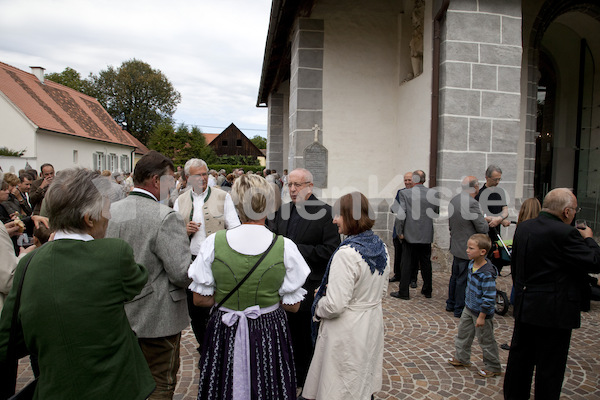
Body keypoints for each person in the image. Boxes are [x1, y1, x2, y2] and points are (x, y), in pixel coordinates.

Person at [0, 168, 155, 399]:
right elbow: (138, 280)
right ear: (88, 219)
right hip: (115, 387)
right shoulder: (114, 253)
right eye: (105, 210)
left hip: (55, 390)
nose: (109, 217)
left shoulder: (28, 264)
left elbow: (8, 340)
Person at [189, 174, 310, 400]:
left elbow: (199, 299)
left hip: (225, 328)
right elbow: (292, 307)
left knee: (222, 385)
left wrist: (228, 300)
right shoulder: (285, 247)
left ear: (236, 204)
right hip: (269, 330)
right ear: (268, 204)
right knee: (269, 386)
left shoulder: (213, 242)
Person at [106, 151, 192, 400]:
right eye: (171, 179)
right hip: (157, 318)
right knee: (160, 382)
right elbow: (180, 273)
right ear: (155, 181)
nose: (175, 184)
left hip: (118, 313)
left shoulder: (110, 211)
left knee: (125, 381)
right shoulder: (165, 217)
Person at [503, 188, 600, 400]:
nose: (575, 213)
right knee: (550, 367)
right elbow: (594, 262)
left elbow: (516, 266)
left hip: (526, 304)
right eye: (575, 210)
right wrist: (590, 239)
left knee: (520, 361)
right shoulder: (566, 233)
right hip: (554, 311)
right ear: (566, 212)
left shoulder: (524, 227)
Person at [302, 192, 390, 400]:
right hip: (371, 322)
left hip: (346, 330)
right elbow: (382, 290)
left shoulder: (347, 253)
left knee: (340, 385)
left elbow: (335, 306)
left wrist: (318, 301)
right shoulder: (381, 246)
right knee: (359, 378)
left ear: (351, 216)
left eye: (338, 215)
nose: (334, 221)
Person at [267, 168, 340, 390]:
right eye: (289, 185)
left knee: (304, 338)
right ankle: (286, 375)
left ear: (310, 185)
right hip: (282, 285)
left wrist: (294, 250)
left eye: (297, 185)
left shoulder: (326, 213)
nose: (292, 189)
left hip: (309, 286)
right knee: (284, 334)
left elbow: (331, 250)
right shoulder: (284, 210)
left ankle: (305, 381)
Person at [173, 158, 240, 354]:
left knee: (217, 306)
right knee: (195, 309)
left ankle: (219, 346)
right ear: (187, 178)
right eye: (198, 175)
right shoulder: (180, 200)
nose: (203, 178)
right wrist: (184, 231)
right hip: (192, 261)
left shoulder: (222, 196)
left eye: (205, 174)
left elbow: (234, 227)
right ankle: (204, 345)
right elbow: (173, 235)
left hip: (218, 260)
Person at [448, 233, 502, 378]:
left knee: (486, 340)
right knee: (463, 333)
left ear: (482, 252)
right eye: (468, 247)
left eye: (471, 248)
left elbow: (489, 297)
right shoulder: (471, 264)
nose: (467, 250)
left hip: (481, 313)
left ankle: (493, 366)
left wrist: (482, 316)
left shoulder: (487, 274)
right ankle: (462, 358)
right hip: (469, 307)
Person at [391, 170, 439, 300]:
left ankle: (404, 292)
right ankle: (427, 290)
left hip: (409, 234)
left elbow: (401, 215)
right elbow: (436, 212)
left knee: (406, 262)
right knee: (425, 262)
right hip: (425, 233)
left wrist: (400, 232)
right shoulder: (433, 193)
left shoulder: (405, 193)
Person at [446, 176, 489, 318]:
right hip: (468, 247)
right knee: (462, 279)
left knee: (455, 277)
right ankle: (459, 308)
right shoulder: (472, 203)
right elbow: (481, 227)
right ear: (475, 187)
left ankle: (450, 303)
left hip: (456, 243)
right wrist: (488, 222)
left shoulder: (454, 200)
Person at [389, 171, 414, 283]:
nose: (407, 182)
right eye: (405, 180)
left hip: (412, 229)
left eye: (409, 180)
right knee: (398, 253)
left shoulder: (419, 194)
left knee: (413, 256)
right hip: (399, 228)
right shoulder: (400, 192)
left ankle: (412, 278)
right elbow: (394, 208)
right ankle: (397, 274)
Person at [475, 165, 510, 241]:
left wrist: (500, 219)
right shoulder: (480, 194)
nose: (497, 182)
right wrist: (500, 220)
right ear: (487, 178)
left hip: (496, 233)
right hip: (484, 235)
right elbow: (481, 215)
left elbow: (505, 210)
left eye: (499, 179)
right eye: (495, 179)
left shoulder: (500, 192)